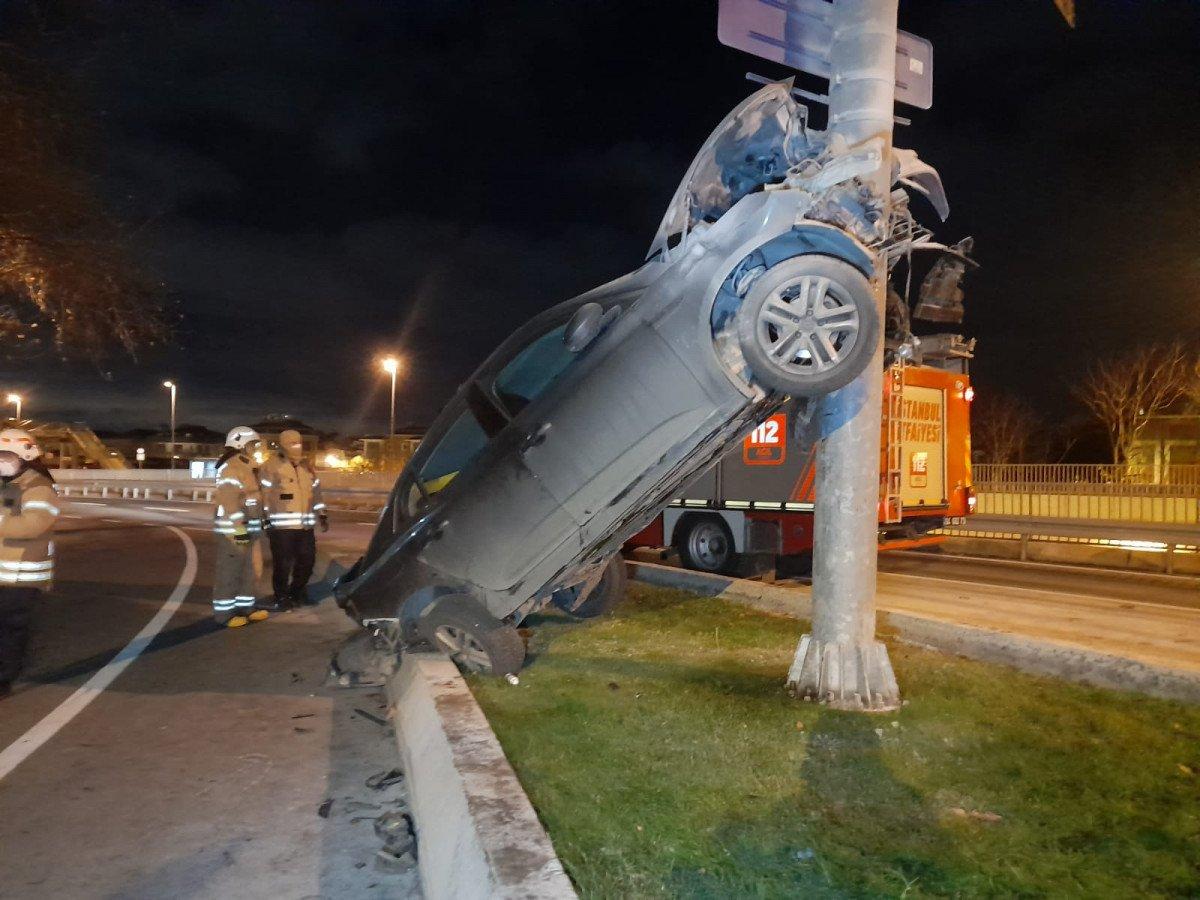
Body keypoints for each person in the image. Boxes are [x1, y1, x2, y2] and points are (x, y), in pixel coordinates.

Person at [0, 429, 58, 696]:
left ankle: (4, 679)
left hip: (22, 576)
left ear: (25, 457)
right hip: (4, 572)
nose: (2, 460)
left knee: (11, 629)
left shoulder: (39, 487)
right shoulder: (4, 483)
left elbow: (33, 525)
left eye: (7, 455)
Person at [259, 429, 327, 610]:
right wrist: (265, 519)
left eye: (298, 443)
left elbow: (316, 493)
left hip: (305, 527)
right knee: (283, 564)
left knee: (307, 561)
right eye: (292, 443)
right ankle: (281, 596)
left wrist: (322, 514)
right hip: (282, 528)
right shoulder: (271, 466)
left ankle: (297, 592)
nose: (297, 447)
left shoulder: (307, 467)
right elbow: (263, 495)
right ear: (283, 445)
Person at [212, 427, 269, 628]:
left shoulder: (247, 467)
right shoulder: (230, 467)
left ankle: (246, 607)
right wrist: (238, 529)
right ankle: (224, 614)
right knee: (230, 571)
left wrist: (263, 520)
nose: (255, 448)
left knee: (249, 570)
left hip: (249, 528)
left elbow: (253, 499)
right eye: (253, 444)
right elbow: (229, 502)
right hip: (233, 530)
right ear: (240, 444)